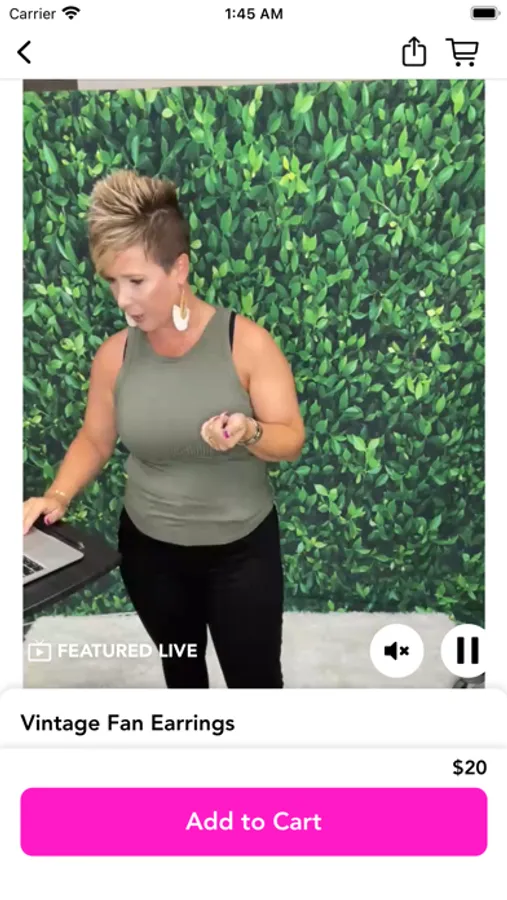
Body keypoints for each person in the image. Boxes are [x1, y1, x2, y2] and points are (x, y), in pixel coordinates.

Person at [23, 169, 306, 688]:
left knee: (256, 684)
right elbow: (95, 438)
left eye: (136, 281)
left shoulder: (247, 345)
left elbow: (290, 437)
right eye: (112, 282)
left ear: (179, 269)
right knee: (182, 674)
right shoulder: (115, 356)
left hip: (241, 553)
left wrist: (249, 431)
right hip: (150, 553)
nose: (122, 299)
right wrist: (57, 495)